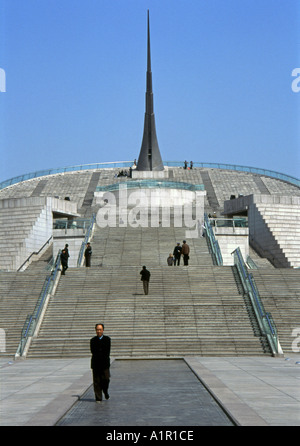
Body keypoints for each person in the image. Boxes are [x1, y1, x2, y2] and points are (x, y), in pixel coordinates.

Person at [90, 323, 111, 402]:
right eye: (97, 330)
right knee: (96, 381)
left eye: (100, 329)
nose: (99, 331)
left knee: (106, 380)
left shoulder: (107, 339)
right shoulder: (93, 340)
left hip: (105, 364)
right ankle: (98, 397)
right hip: (95, 364)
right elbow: (93, 351)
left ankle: (105, 391)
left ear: (103, 330)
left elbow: (107, 352)